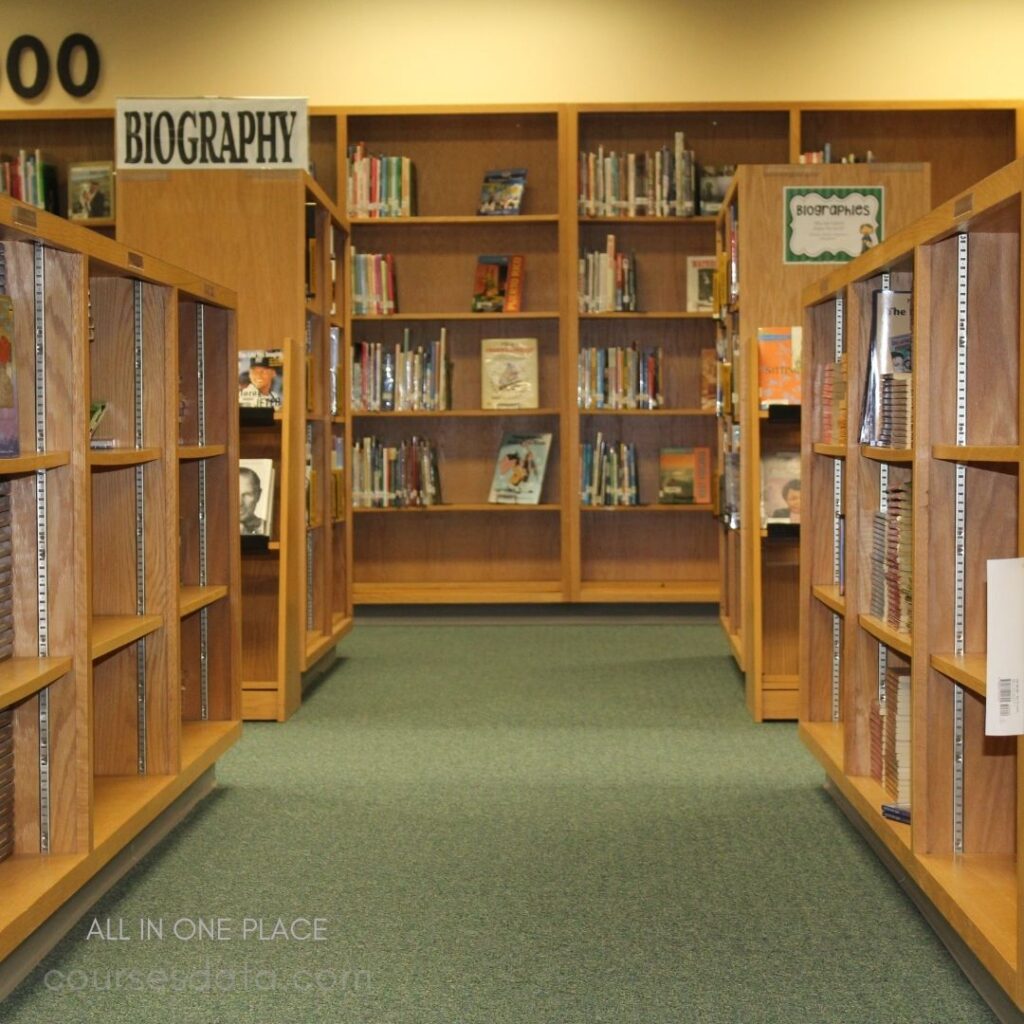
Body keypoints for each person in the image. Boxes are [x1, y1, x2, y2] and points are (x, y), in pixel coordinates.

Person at [239, 466, 266, 534]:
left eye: (247, 495)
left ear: (258, 495)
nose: (240, 503)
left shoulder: (270, 529)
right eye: (233, 494)